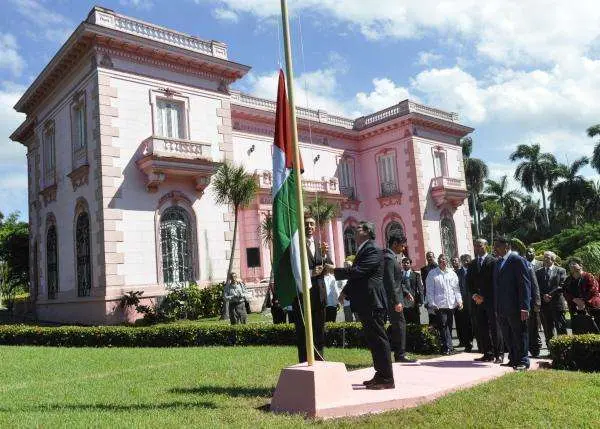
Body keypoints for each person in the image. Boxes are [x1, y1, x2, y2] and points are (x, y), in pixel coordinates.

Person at [335, 221, 394, 390]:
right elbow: (358, 276)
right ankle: (380, 374)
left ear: (368, 232)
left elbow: (358, 272)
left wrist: (334, 271)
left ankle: (387, 378)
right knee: (373, 340)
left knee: (379, 339)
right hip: (365, 302)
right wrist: (345, 291)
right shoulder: (363, 250)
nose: (355, 230)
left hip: (373, 302)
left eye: (359, 227)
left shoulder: (373, 250)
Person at [291, 216, 333, 363]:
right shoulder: (296, 246)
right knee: (303, 333)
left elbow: (329, 266)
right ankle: (304, 361)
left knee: (319, 331)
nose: (309, 226)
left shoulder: (320, 245)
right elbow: (294, 270)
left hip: (319, 295)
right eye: (306, 224)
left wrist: (326, 254)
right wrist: (310, 273)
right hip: (303, 295)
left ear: (315, 227)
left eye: (312, 224)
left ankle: (320, 360)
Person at [493, 236, 531, 371]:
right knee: (507, 335)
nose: (495, 249)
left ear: (507, 246)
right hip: (502, 307)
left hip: (516, 307)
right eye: (494, 246)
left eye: (497, 246)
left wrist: (525, 306)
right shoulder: (498, 263)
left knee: (519, 334)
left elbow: (524, 284)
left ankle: (523, 361)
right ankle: (513, 359)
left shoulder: (517, 260)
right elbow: (496, 287)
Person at [467, 239, 503, 363]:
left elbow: (496, 283)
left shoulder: (494, 261)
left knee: (495, 327)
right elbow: (469, 283)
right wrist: (475, 296)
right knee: (482, 327)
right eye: (475, 245)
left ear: (486, 246)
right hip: (478, 302)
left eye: (479, 245)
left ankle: (499, 354)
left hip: (491, 301)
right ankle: (487, 353)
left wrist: (485, 297)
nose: (477, 247)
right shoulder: (472, 264)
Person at [383, 231, 416, 363]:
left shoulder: (392, 257)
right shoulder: (389, 258)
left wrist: (406, 292)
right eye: (402, 245)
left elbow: (397, 281)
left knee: (399, 326)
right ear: (395, 244)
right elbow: (390, 281)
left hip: (396, 297)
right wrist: (397, 301)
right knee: (400, 326)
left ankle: (399, 353)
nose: (403, 248)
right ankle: (400, 354)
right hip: (393, 300)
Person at [426, 254, 463, 355]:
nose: (443, 261)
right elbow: (430, 290)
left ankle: (448, 347)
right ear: (438, 261)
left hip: (451, 304)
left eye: (445, 259)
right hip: (439, 304)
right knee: (443, 325)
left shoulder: (452, 273)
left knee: (449, 326)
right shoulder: (432, 273)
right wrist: (432, 303)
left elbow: (456, 288)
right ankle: (447, 348)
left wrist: (459, 300)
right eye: (441, 259)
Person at [535, 251, 568, 345]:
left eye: (547, 257)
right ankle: (551, 350)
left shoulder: (561, 270)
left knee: (560, 327)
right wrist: (543, 296)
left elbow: (562, 285)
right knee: (547, 328)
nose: (545, 259)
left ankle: (564, 349)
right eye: (544, 257)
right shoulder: (538, 272)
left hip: (557, 304)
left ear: (553, 259)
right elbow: (536, 286)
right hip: (544, 305)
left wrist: (550, 295)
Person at [563, 257, 600, 334]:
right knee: (578, 330)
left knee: (595, 330)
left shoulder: (589, 276)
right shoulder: (568, 279)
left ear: (580, 265)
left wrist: (583, 301)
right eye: (570, 264)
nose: (571, 265)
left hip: (591, 307)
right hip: (574, 308)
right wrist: (574, 300)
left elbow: (594, 290)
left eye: (574, 264)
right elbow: (565, 292)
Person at [453, 254, 474, 352]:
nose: (465, 262)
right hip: (462, 300)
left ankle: (480, 344)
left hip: (473, 299)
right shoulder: (458, 272)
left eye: (467, 260)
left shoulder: (474, 270)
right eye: (463, 260)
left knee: (474, 322)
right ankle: (467, 344)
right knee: (464, 323)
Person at [525, 253, 542, 358]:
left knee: (533, 328)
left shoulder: (528, 266)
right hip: (518, 304)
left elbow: (535, 285)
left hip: (531, 303)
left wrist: (537, 302)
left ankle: (535, 350)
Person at [401, 257, 423, 325]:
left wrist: (421, 300)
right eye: (404, 263)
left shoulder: (416, 275)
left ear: (410, 264)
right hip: (403, 302)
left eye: (407, 263)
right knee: (405, 322)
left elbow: (420, 288)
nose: (406, 264)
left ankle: (417, 335)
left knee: (416, 321)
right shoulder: (399, 275)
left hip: (413, 301)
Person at [421, 251, 439, 326]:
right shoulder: (424, 269)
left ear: (434, 257)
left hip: (438, 295)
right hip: (429, 295)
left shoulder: (438, 267)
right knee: (431, 317)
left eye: (430, 256)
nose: (429, 258)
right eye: (427, 256)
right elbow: (425, 285)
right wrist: (425, 298)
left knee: (440, 317)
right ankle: (433, 336)